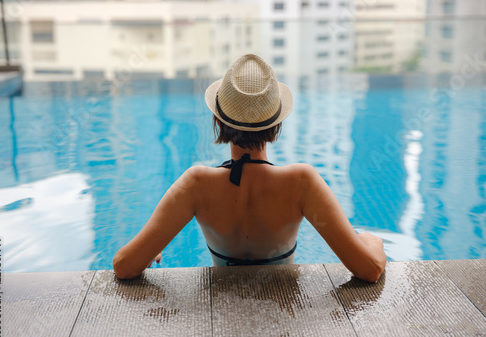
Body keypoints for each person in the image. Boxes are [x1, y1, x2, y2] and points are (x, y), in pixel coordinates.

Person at [113, 54, 386, 282]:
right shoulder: (302, 182)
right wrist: (372, 242)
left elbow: (124, 266)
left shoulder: (196, 183)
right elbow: (370, 270)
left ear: (218, 122)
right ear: (276, 125)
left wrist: (148, 251)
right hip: (283, 316)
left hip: (221, 322)